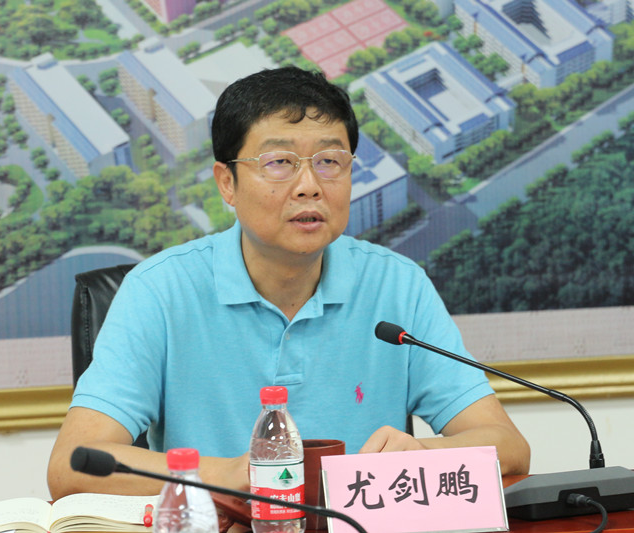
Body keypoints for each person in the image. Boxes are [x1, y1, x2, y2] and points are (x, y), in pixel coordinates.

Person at [47, 67, 530, 502]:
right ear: (227, 183)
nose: (309, 185)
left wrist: (423, 454)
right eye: (279, 162)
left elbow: (509, 447)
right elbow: (72, 465)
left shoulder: (398, 285)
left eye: (329, 161)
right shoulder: (159, 291)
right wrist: (225, 476)